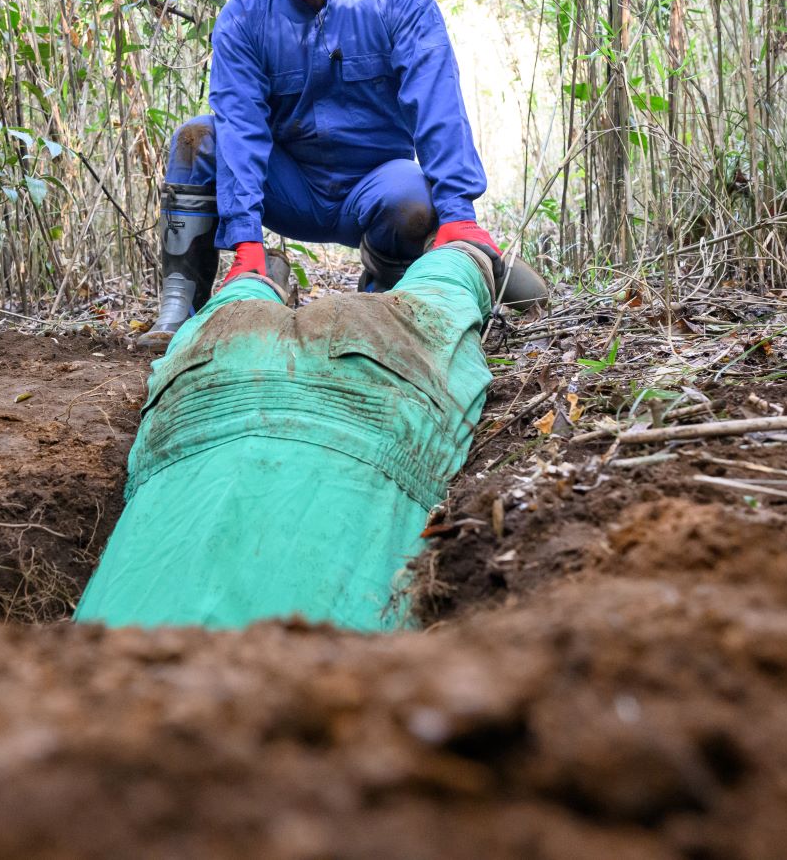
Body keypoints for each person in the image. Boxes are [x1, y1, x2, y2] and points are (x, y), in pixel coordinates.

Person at [143, 0, 542, 348]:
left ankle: (385, 276)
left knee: (415, 199)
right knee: (198, 138)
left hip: (376, 189)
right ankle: (188, 305)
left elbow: (437, 106)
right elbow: (240, 131)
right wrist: (244, 244)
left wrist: (459, 217)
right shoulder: (243, 21)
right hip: (287, 188)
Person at [76, 240, 498, 630]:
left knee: (442, 290)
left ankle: (259, 277)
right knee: (440, 287)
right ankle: (254, 283)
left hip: (254, 378)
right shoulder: (80, 690)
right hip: (231, 380)